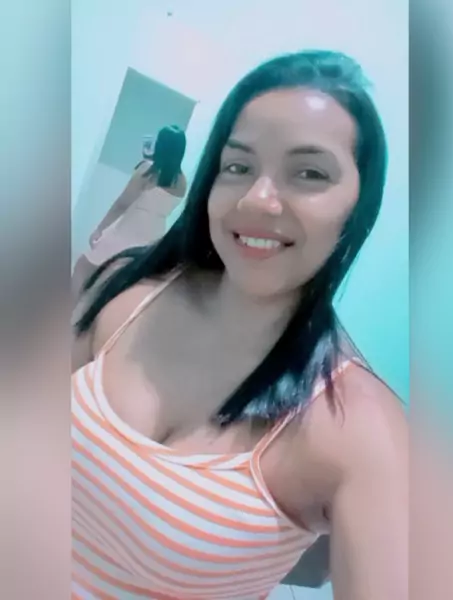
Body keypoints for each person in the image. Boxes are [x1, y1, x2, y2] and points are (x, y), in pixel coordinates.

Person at [72, 50, 407, 600]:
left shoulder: (361, 428)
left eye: (309, 173)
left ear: (357, 207)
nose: (257, 200)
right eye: (238, 166)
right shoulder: (123, 290)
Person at [72, 125, 187, 302]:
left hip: (129, 229)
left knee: (83, 267)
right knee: (118, 281)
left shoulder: (147, 171)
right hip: (152, 236)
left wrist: (100, 228)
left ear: (160, 145)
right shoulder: (182, 182)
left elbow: (123, 203)